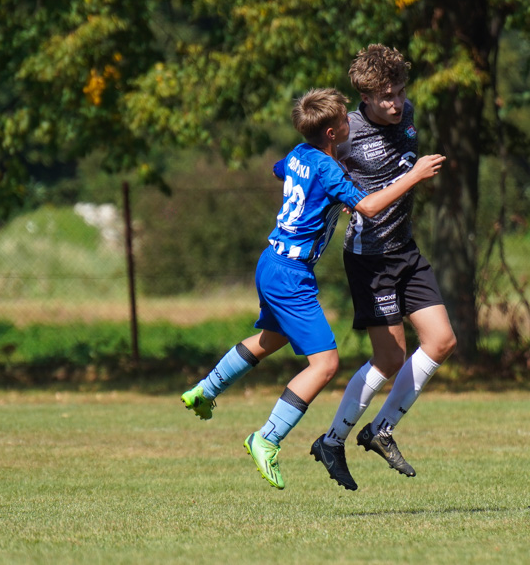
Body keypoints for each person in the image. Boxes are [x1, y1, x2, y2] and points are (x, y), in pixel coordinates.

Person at [180, 88, 445, 490]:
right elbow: (370, 208)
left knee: (270, 340)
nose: (349, 125)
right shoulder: (328, 169)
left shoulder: (298, 155)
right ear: (333, 132)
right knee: (325, 365)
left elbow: (280, 171)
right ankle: (266, 438)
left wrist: (317, 196)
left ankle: (204, 390)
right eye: (344, 121)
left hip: (270, 261)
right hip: (290, 272)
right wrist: (414, 175)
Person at [310, 45, 457, 491]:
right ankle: (332, 440)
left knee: (442, 340)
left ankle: (381, 429)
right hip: (369, 257)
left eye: (399, 92)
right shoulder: (346, 131)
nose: (395, 103)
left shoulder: (407, 113)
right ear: (365, 97)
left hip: (404, 249)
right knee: (390, 356)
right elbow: (306, 163)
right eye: (385, 97)